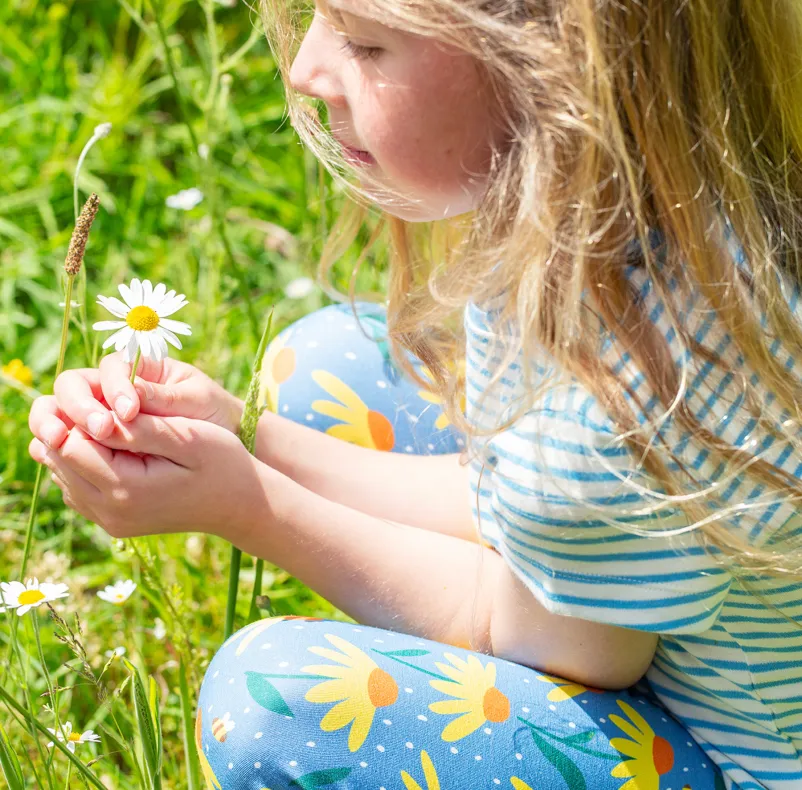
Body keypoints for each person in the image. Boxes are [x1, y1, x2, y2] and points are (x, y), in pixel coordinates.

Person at [26, 0, 802, 786]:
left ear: (553, 70)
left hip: (739, 759)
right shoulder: (634, 217)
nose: (303, 70)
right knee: (318, 366)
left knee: (278, 702)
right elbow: (502, 499)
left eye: (366, 43)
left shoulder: (638, 388)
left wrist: (250, 506)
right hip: (637, 617)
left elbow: (525, 635)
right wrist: (244, 434)